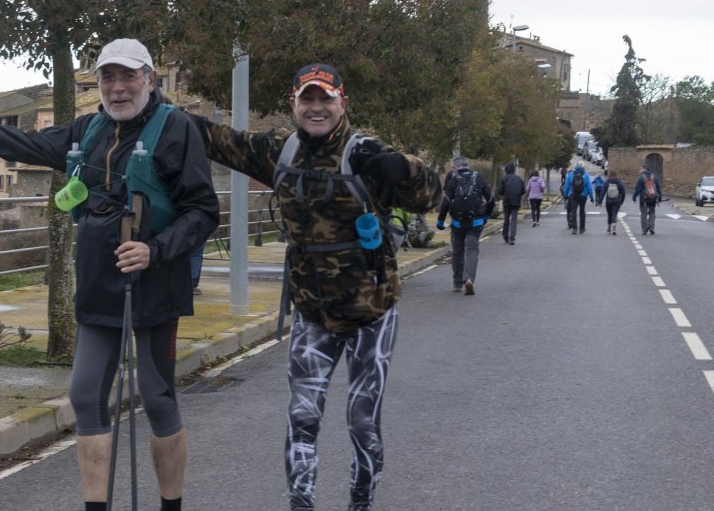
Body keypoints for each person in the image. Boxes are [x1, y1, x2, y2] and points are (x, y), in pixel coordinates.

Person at [0, 38, 219, 511]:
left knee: (158, 398)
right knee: (84, 396)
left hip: (157, 284)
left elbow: (202, 211)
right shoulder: (87, 129)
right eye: (108, 77)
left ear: (149, 79)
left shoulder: (176, 128)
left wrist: (155, 250)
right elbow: (23, 143)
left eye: (128, 77)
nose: (118, 88)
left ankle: (171, 507)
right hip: (98, 283)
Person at [185, 63, 439, 511]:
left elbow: (432, 197)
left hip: (371, 313)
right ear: (294, 104)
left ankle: (360, 503)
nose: (316, 107)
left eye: (326, 99)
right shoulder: (279, 152)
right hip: (312, 314)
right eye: (308, 99)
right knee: (302, 417)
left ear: (343, 103)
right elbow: (214, 138)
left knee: (362, 421)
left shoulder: (366, 154)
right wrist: (148, 104)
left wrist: (406, 167)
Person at [437, 156, 493, 295]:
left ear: (454, 167)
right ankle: (468, 279)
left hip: (458, 223)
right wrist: (486, 216)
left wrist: (440, 221)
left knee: (457, 251)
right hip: (476, 222)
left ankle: (457, 284)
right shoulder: (478, 178)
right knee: (472, 250)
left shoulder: (453, 180)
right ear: (468, 165)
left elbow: (446, 202)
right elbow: (491, 199)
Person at [497, 162, 525, 245]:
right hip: (516, 201)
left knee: (506, 219)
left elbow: (500, 191)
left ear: (506, 170)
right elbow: (523, 191)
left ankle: (505, 236)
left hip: (507, 201)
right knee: (514, 220)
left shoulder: (504, 178)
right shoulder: (519, 178)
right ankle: (512, 238)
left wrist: (505, 193)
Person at [564, 163, 594, 234]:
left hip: (573, 195)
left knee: (573, 211)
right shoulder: (586, 175)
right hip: (583, 196)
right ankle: (582, 228)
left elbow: (566, 186)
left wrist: (565, 195)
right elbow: (589, 187)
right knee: (582, 211)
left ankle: (574, 228)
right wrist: (591, 197)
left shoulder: (571, 174)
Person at [631, 165, 659, 235]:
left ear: (644, 169)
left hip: (644, 198)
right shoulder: (654, 177)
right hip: (653, 198)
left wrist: (634, 197)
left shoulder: (641, 178)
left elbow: (637, 189)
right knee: (652, 213)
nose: (639, 170)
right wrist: (659, 197)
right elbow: (658, 188)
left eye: (640, 169)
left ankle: (644, 229)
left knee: (644, 214)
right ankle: (651, 227)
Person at [601, 170, 626, 235]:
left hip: (608, 201)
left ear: (609, 175)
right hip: (617, 201)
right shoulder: (619, 182)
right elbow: (623, 193)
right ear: (616, 175)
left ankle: (609, 228)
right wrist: (622, 200)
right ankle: (614, 225)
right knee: (614, 213)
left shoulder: (607, 182)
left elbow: (603, 192)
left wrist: (600, 201)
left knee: (609, 214)